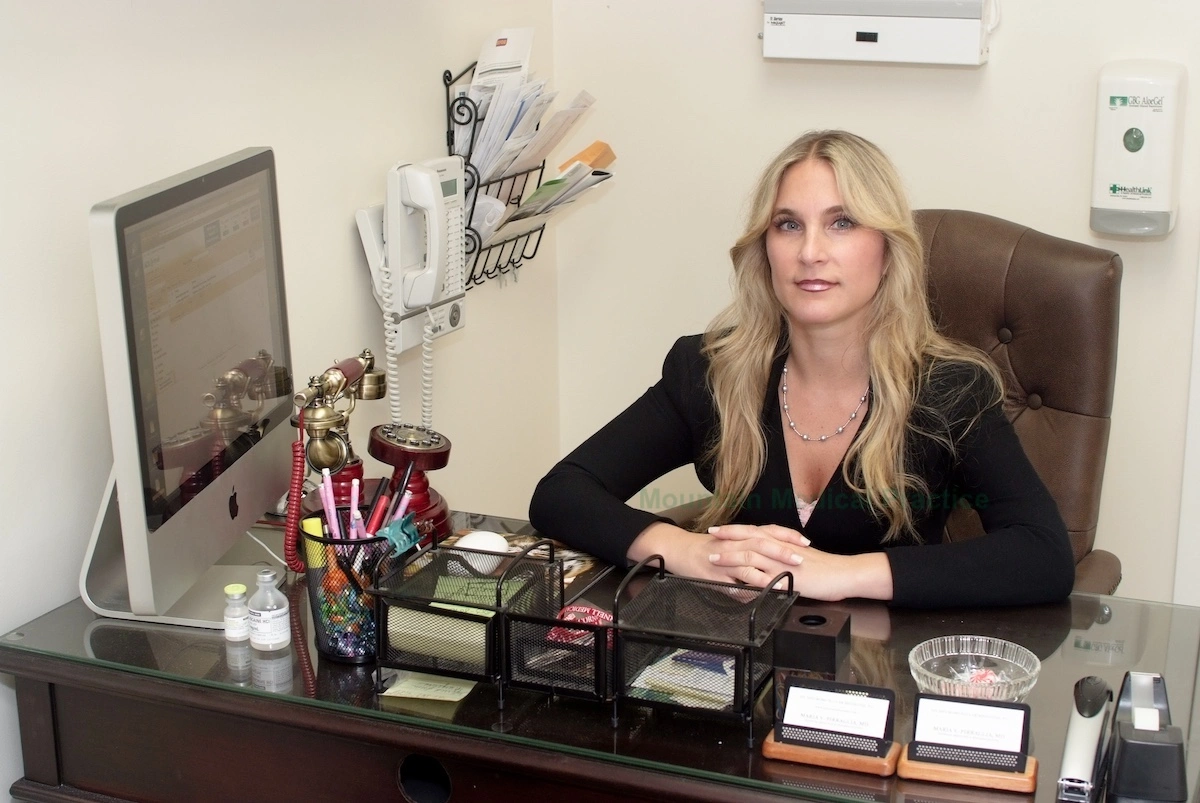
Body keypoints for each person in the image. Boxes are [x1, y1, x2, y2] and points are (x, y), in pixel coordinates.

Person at [529, 130, 1075, 608]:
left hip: (880, 671)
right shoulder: (709, 371)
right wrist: (687, 551)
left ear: (887, 249)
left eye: (842, 223)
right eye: (788, 225)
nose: (810, 251)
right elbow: (562, 492)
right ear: (765, 248)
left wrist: (840, 574)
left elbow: (1044, 554)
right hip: (734, 660)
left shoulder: (950, 389)